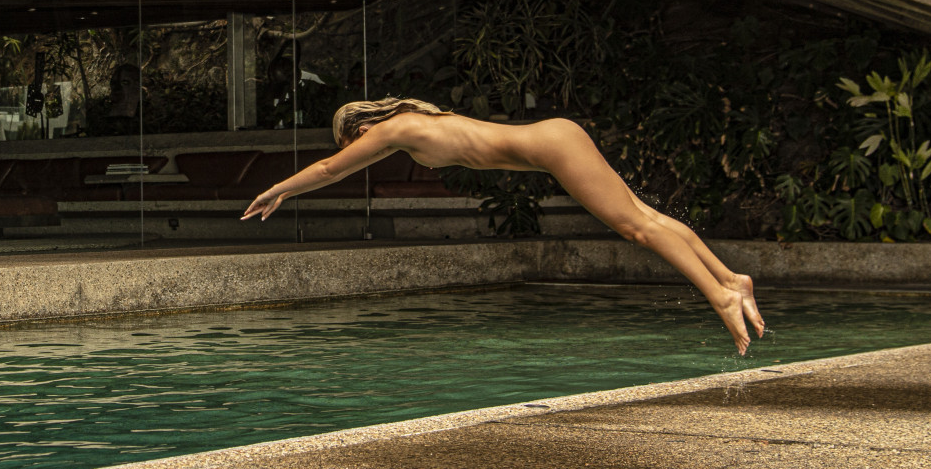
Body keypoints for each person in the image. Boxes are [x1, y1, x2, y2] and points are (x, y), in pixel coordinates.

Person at [241, 98, 767, 354]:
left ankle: (719, 296)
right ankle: (730, 278)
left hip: (553, 147)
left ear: (359, 127)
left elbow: (331, 170)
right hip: (555, 140)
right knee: (646, 218)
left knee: (638, 228)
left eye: (351, 141)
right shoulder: (411, 125)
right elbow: (343, 165)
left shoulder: (396, 126)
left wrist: (279, 189)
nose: (356, 149)